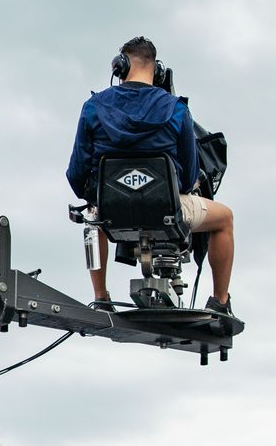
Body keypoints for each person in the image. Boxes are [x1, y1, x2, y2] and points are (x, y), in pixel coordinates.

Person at [66, 35, 236, 316]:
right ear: (156, 70)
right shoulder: (177, 109)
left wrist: (104, 194)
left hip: (111, 209)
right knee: (225, 219)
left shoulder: (93, 108)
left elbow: (76, 176)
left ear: (120, 67)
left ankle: (101, 297)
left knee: (93, 218)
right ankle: (220, 301)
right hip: (167, 208)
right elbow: (189, 176)